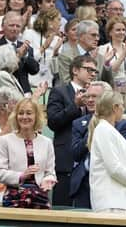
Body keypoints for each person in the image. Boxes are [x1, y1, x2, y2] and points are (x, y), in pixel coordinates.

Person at [46, 55, 98, 206]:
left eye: (95, 71)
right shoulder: (59, 91)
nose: (93, 74)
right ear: (75, 70)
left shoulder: (97, 94)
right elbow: (53, 122)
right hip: (66, 160)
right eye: (89, 70)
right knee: (62, 207)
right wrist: (74, 106)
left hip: (90, 162)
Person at [70, 81, 126, 208]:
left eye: (95, 97)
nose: (90, 100)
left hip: (110, 182)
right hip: (84, 182)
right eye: (88, 96)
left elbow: (123, 154)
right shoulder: (78, 123)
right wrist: (93, 130)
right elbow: (75, 154)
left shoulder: (122, 124)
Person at [88, 90, 126, 213]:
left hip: (121, 202)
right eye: (121, 105)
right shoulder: (103, 130)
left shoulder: (108, 130)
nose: (123, 109)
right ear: (115, 108)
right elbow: (114, 168)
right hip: (112, 203)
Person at [0, 98, 56, 208]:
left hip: (40, 196)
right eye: (21, 113)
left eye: (29, 113)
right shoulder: (5, 141)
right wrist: (22, 175)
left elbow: (50, 172)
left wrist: (48, 180)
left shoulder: (47, 142)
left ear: (36, 116)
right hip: (14, 196)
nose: (24, 117)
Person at [0, 11, 40, 95]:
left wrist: (25, 55)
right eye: (11, 25)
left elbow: (34, 70)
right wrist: (18, 56)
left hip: (24, 92)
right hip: (3, 92)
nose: (15, 29)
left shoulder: (26, 47)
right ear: (3, 27)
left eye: (18, 26)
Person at [98, 17, 126, 94]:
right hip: (112, 91)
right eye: (118, 30)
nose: (122, 32)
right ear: (110, 32)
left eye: (123, 30)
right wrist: (124, 55)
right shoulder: (103, 49)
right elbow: (107, 74)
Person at [21, 7, 62, 90]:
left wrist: (55, 53)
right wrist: (44, 47)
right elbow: (28, 61)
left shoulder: (57, 40)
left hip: (48, 86)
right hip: (30, 84)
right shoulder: (29, 34)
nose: (61, 24)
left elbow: (56, 71)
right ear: (49, 21)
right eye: (58, 20)